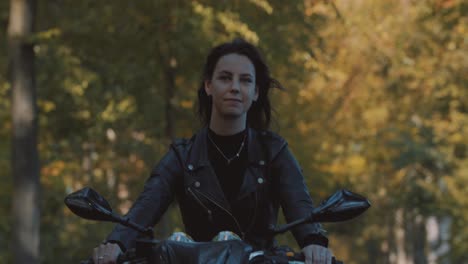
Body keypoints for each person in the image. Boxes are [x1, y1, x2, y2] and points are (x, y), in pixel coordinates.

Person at [92, 39, 333, 264]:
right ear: (209, 85)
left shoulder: (274, 151)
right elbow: (146, 206)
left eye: (245, 80)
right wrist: (115, 243)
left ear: (256, 92)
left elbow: (300, 207)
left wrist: (314, 243)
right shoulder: (182, 155)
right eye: (225, 78)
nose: (235, 88)